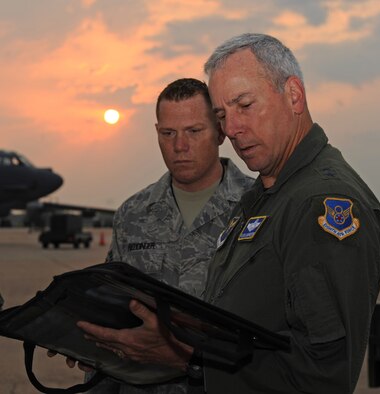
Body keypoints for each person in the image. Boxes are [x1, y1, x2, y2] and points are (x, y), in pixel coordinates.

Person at [78, 34, 380, 394]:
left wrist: (186, 359)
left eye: (245, 105)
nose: (233, 129)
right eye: (223, 115)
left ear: (294, 95)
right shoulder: (266, 196)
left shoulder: (319, 202)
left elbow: (320, 377)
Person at [78, 78, 254, 394]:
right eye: (168, 133)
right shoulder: (133, 215)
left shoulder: (261, 208)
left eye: (194, 131)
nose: (179, 146)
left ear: (220, 132)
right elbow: (114, 313)